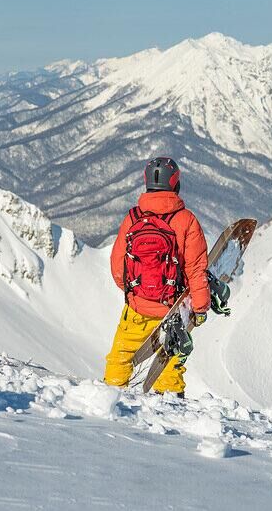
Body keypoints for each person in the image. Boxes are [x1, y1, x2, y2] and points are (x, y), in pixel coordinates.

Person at [103, 156, 210, 396]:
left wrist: (135, 293)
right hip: (172, 310)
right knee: (170, 361)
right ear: (175, 184)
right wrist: (201, 307)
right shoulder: (186, 220)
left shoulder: (132, 218)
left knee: (120, 356)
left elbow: (118, 265)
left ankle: (109, 399)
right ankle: (169, 406)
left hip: (137, 311)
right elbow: (196, 268)